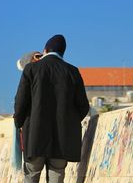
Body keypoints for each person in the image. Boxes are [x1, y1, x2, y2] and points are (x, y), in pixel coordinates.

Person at [14, 34, 90, 183]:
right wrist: (68, 122)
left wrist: (19, 123)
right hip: (62, 139)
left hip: (34, 136)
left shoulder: (31, 69)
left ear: (45, 50)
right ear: (62, 53)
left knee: (31, 175)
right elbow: (83, 106)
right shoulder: (73, 72)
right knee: (57, 175)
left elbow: (20, 102)